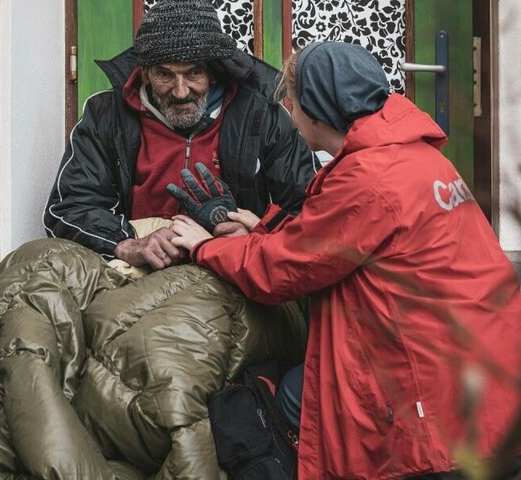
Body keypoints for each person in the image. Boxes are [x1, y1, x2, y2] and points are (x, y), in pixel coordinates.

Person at [170, 41, 521, 479]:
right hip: (483, 365)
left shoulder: (370, 178)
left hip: (431, 390)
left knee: (290, 401)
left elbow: (280, 272)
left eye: (292, 104)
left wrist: (205, 246)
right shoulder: (410, 154)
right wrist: (261, 229)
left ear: (317, 109)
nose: (290, 116)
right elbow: (337, 237)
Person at [43, 0, 319, 271]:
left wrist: (252, 233)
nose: (180, 91)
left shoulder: (261, 115)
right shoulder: (105, 114)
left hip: (230, 271)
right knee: (32, 268)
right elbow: (70, 207)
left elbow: (312, 212)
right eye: (165, 74)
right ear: (146, 74)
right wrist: (126, 244)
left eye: (193, 73)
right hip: (132, 268)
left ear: (213, 72)